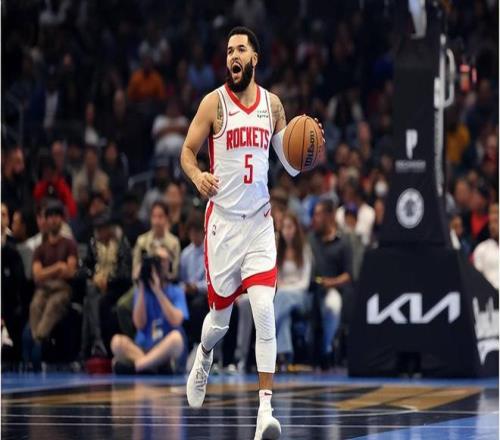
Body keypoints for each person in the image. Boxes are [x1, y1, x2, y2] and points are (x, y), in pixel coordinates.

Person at [180, 26, 321, 439]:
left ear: (254, 58)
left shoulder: (272, 106)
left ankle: (265, 412)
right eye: (229, 51)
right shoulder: (214, 103)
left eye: (240, 49)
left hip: (259, 222)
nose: (233, 56)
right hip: (223, 225)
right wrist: (197, 177)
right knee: (219, 320)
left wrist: (309, 147)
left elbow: (289, 164)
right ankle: (204, 354)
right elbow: (186, 152)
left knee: (264, 311)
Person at [110, 245, 189, 374]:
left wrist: (158, 291)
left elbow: (176, 321)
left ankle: (137, 366)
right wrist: (141, 285)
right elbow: (139, 324)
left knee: (176, 339)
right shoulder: (141, 292)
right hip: (144, 347)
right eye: (156, 260)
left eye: (163, 260)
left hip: (165, 348)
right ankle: (152, 365)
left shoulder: (176, 291)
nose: (159, 264)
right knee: (117, 342)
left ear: (169, 264)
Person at [116, 201, 181, 339]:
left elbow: (174, 273)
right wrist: (141, 275)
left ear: (167, 218)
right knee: (122, 306)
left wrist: (163, 264)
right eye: (154, 216)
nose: (157, 221)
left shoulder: (173, 242)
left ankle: (164, 340)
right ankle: (135, 338)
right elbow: (135, 271)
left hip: (164, 285)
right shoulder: (142, 241)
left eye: (160, 216)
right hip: (143, 284)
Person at [26, 200, 78, 369]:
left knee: (53, 305)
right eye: (50, 216)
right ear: (46, 220)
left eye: (57, 216)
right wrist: (57, 267)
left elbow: (70, 271)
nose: (53, 220)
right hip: (44, 288)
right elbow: (37, 275)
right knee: (35, 305)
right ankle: (37, 340)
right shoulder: (40, 248)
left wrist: (47, 272)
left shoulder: (69, 244)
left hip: (62, 288)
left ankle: (38, 340)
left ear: (62, 219)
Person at [80, 211, 132, 360]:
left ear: (109, 229)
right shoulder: (93, 244)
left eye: (101, 228)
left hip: (117, 288)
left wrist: (107, 282)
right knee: (90, 297)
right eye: (97, 229)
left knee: (91, 303)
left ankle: (89, 349)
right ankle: (96, 344)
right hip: (97, 287)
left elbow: (124, 274)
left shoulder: (122, 244)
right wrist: (94, 276)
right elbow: (84, 267)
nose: (98, 233)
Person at [309, 199, 352, 369]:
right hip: (311, 290)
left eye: (318, 214)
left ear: (329, 216)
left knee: (332, 306)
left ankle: (327, 348)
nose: (315, 219)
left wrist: (330, 283)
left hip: (333, 289)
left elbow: (348, 275)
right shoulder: (310, 240)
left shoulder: (343, 241)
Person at [273, 212, 312, 368]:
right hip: (283, 297)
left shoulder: (304, 249)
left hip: (301, 296)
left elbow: (305, 283)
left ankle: (267, 335)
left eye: (290, 227)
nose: (287, 231)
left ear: (296, 228)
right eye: (284, 228)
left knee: (281, 298)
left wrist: (286, 288)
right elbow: (276, 279)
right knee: (284, 316)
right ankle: (285, 355)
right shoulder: (278, 250)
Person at [472, 203, 499, 289]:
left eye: (496, 221)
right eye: (490, 223)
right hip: (490, 293)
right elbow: (477, 280)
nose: (492, 227)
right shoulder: (481, 249)